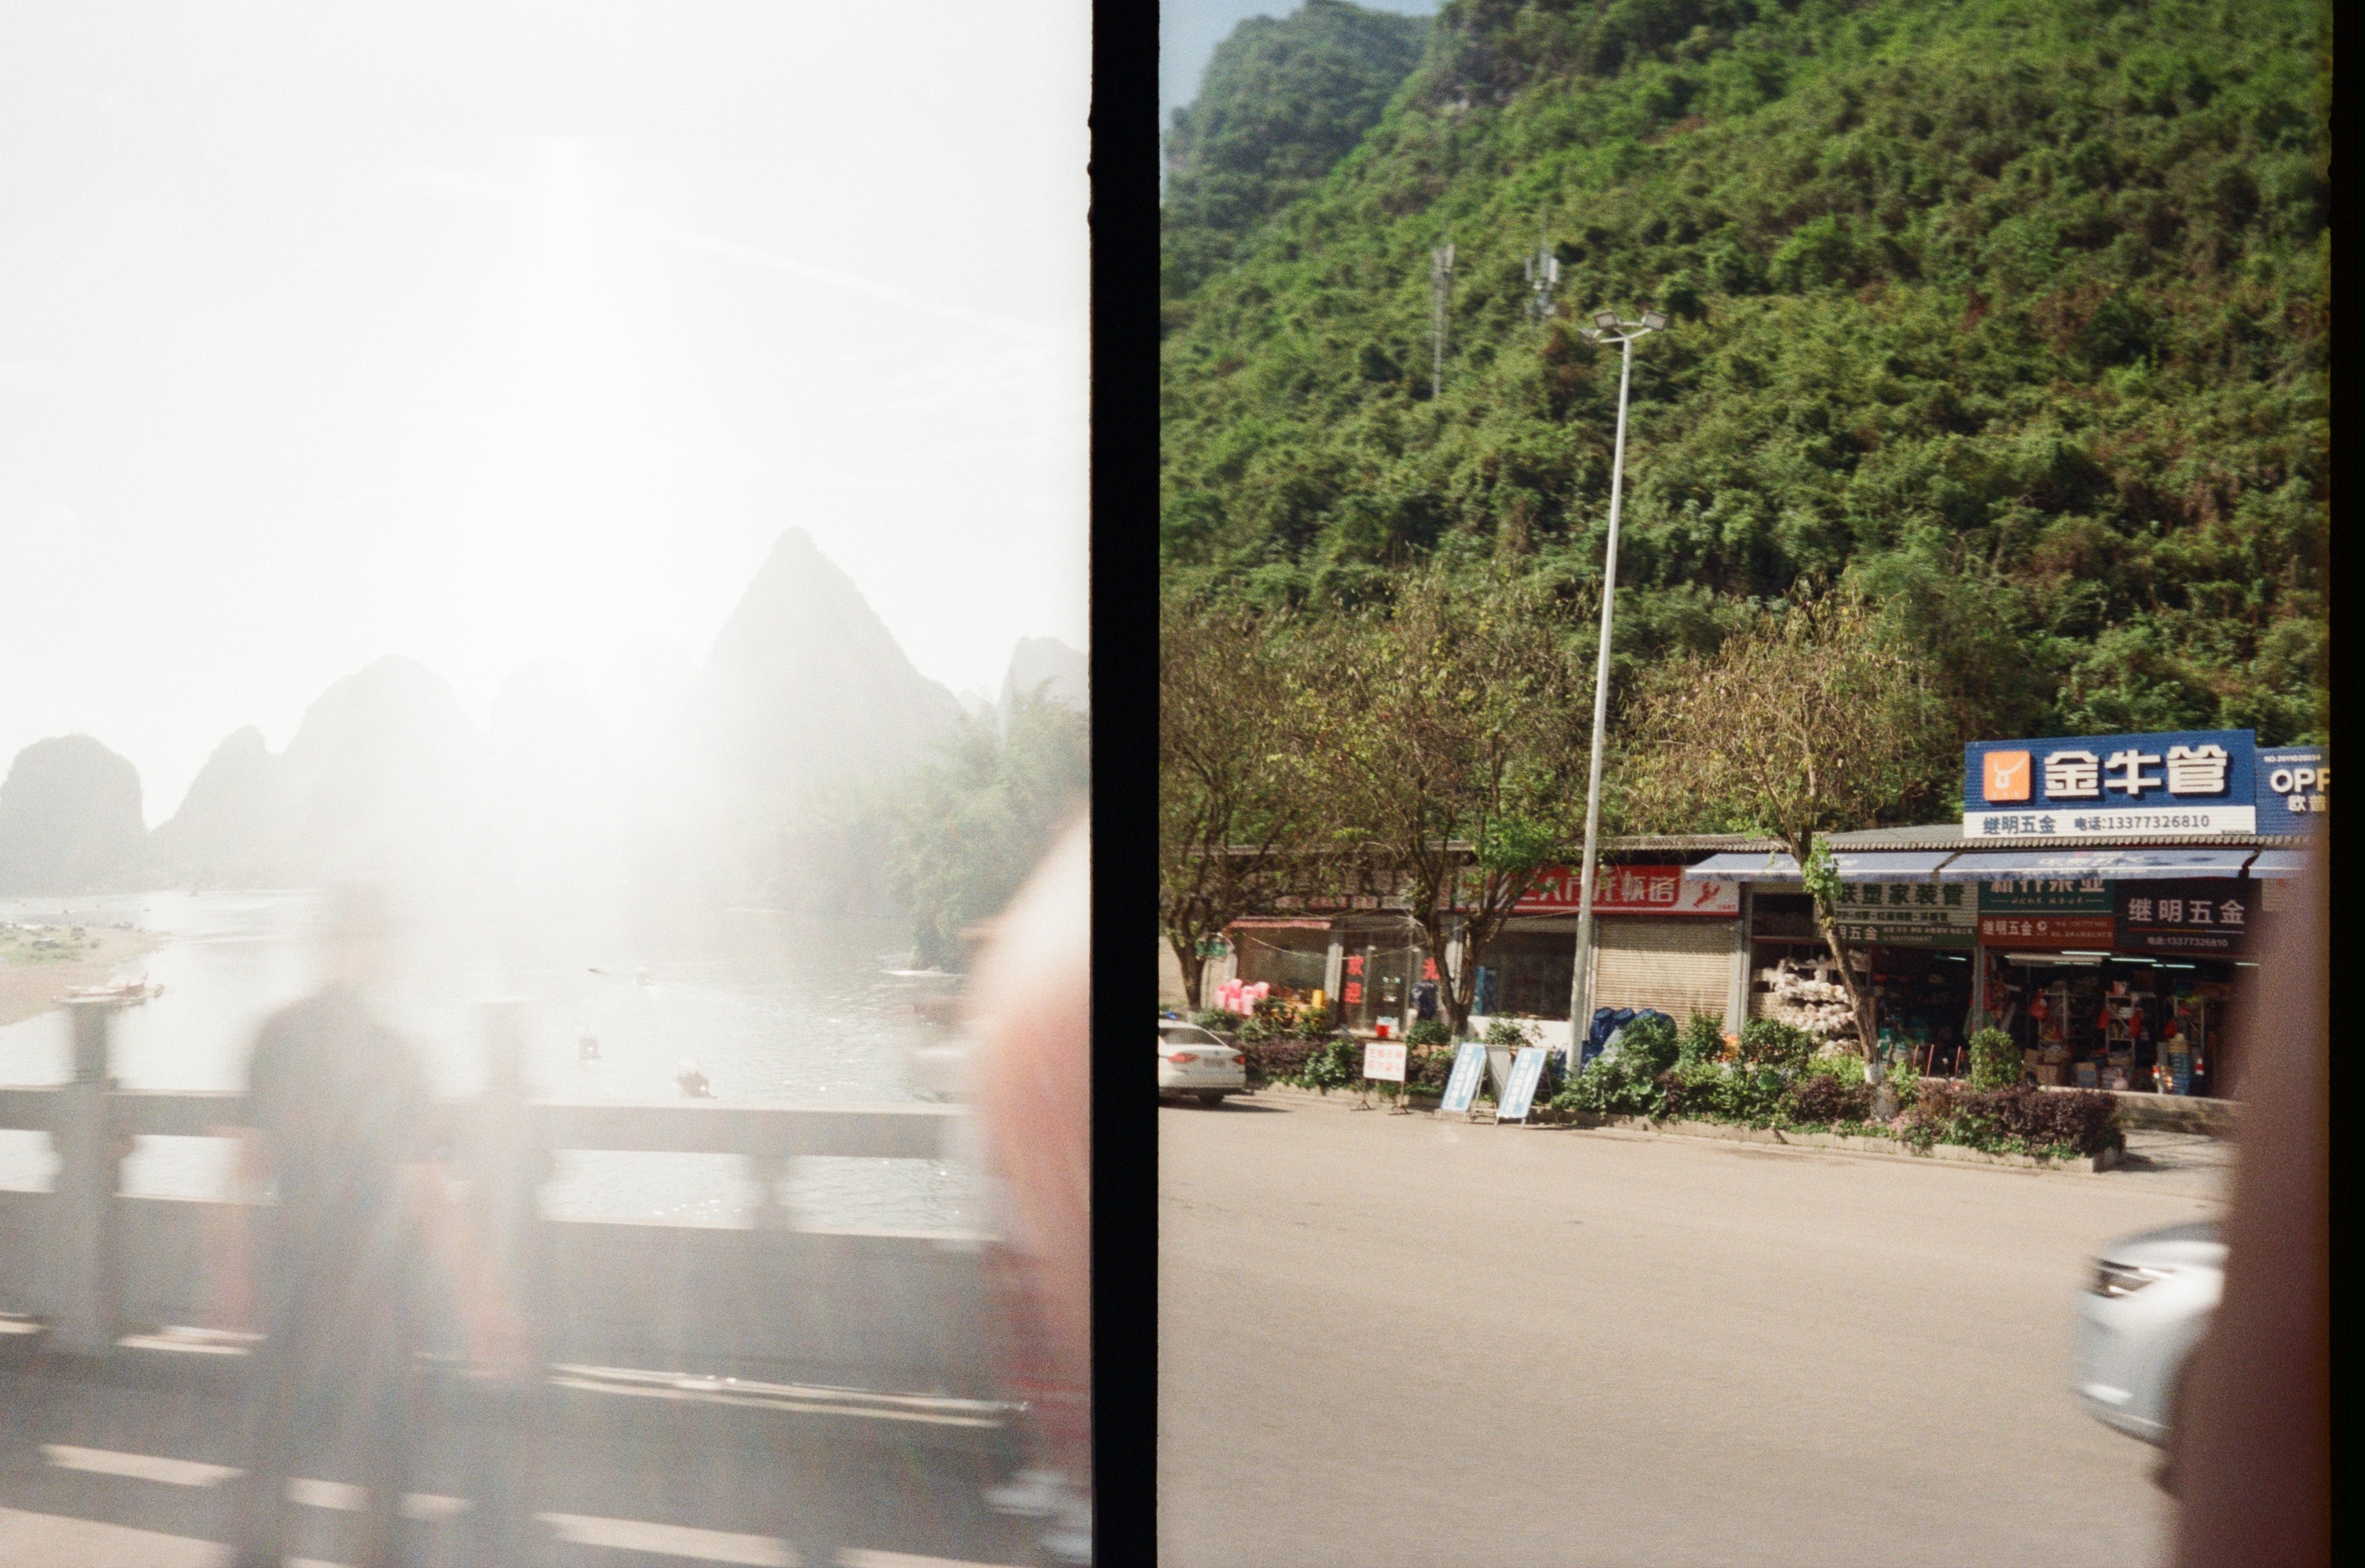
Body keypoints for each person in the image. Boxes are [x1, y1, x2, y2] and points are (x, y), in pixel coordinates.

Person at [220, 885, 510, 1568]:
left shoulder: (279, 1034)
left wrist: (235, 1267)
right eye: (383, 939)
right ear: (369, 947)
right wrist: (481, 1301)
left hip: (296, 1275)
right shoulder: (395, 1054)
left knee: (274, 1455)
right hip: (373, 1291)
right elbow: (429, 1194)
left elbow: (244, 1169)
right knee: (381, 1457)